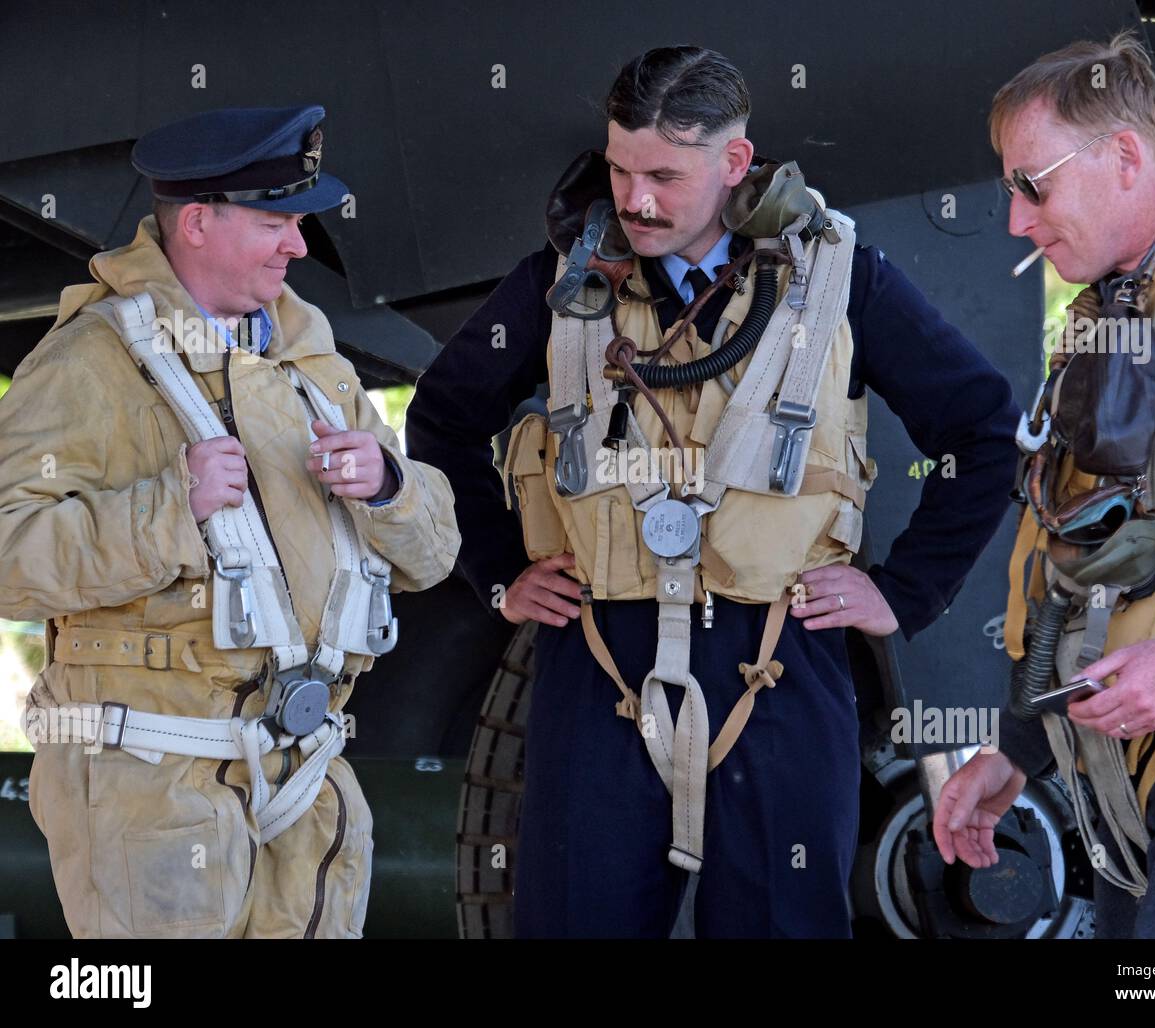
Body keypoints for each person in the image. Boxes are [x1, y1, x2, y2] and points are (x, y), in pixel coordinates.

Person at [409, 46, 1018, 938]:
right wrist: (501, 572)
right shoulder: (562, 285)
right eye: (619, 169)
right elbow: (442, 424)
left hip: (776, 656)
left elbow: (981, 429)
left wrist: (903, 592)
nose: (635, 200)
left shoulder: (837, 278)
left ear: (736, 163)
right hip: (598, 664)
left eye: (663, 174)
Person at [0, 105, 460, 938]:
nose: (298, 245)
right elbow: (7, 556)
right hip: (150, 789)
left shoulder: (310, 361)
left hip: (302, 777)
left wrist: (388, 483)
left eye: (299, 223)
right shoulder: (89, 363)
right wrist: (167, 513)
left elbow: (432, 558)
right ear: (201, 223)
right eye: (276, 222)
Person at [935, 32, 1155, 938]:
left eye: (1034, 184)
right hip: (1141, 770)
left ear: (1126, 157)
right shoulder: (1122, 303)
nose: (1017, 220)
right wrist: (1018, 750)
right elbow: (1088, 551)